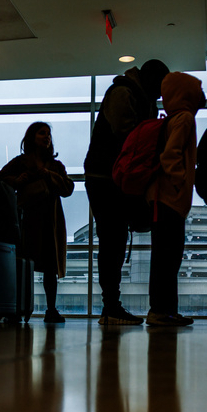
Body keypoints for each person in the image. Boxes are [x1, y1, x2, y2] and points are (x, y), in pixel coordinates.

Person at [84, 59, 170, 326]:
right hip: (108, 178)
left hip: (110, 177)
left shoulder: (132, 94)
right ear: (151, 82)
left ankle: (111, 306)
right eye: (159, 89)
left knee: (114, 241)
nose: (159, 96)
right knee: (113, 241)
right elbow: (130, 138)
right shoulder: (125, 93)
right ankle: (110, 307)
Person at [0, 122, 75, 323]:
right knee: (26, 267)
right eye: (42, 133)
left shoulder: (55, 166)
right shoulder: (22, 163)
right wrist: (16, 180)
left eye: (48, 134)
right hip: (28, 221)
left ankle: (45, 309)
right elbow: (0, 179)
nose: (47, 137)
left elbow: (68, 188)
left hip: (47, 221)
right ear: (32, 137)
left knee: (48, 268)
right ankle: (24, 309)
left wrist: (48, 176)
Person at [143, 71, 205, 326]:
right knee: (168, 258)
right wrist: (181, 184)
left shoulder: (172, 118)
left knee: (164, 257)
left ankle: (165, 310)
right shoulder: (185, 118)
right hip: (168, 199)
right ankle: (161, 311)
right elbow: (170, 157)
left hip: (160, 198)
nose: (202, 96)